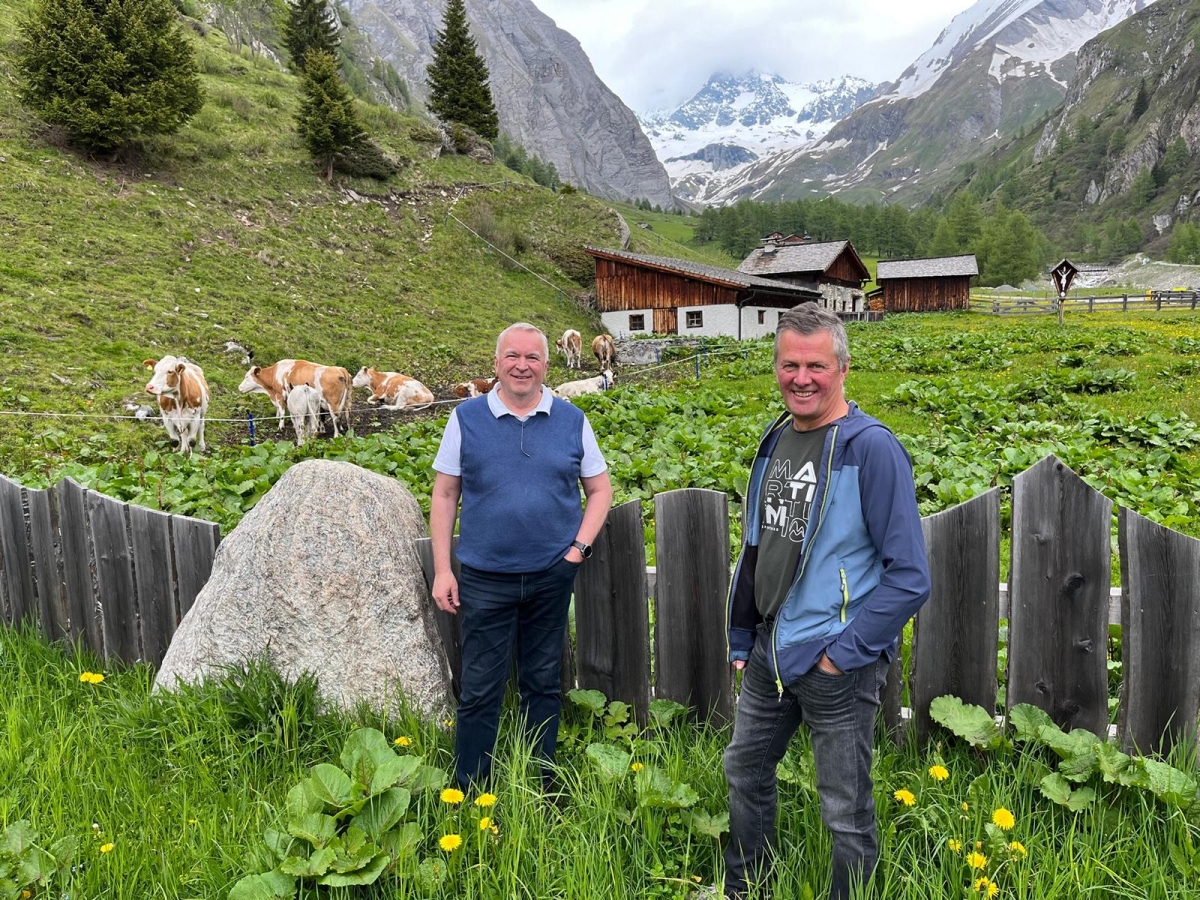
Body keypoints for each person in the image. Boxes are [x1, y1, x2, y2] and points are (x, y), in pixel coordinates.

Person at [720, 304, 931, 900]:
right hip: (770, 649)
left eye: (816, 365)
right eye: (790, 364)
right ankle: (746, 889)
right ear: (777, 366)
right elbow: (759, 548)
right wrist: (744, 637)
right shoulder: (776, 439)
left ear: (842, 367)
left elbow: (910, 575)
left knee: (844, 806)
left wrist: (846, 654)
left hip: (836, 661)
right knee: (745, 769)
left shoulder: (872, 448)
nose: (801, 377)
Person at [430, 322, 613, 791]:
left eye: (532, 357)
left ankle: (541, 783)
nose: (522, 365)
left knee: (542, 683)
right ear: (496, 363)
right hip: (484, 576)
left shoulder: (572, 419)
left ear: (546, 365)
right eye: (512, 356)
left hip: (552, 574)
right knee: (479, 689)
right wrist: (444, 569)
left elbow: (599, 490)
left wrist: (577, 550)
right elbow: (446, 494)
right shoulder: (466, 418)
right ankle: (470, 790)